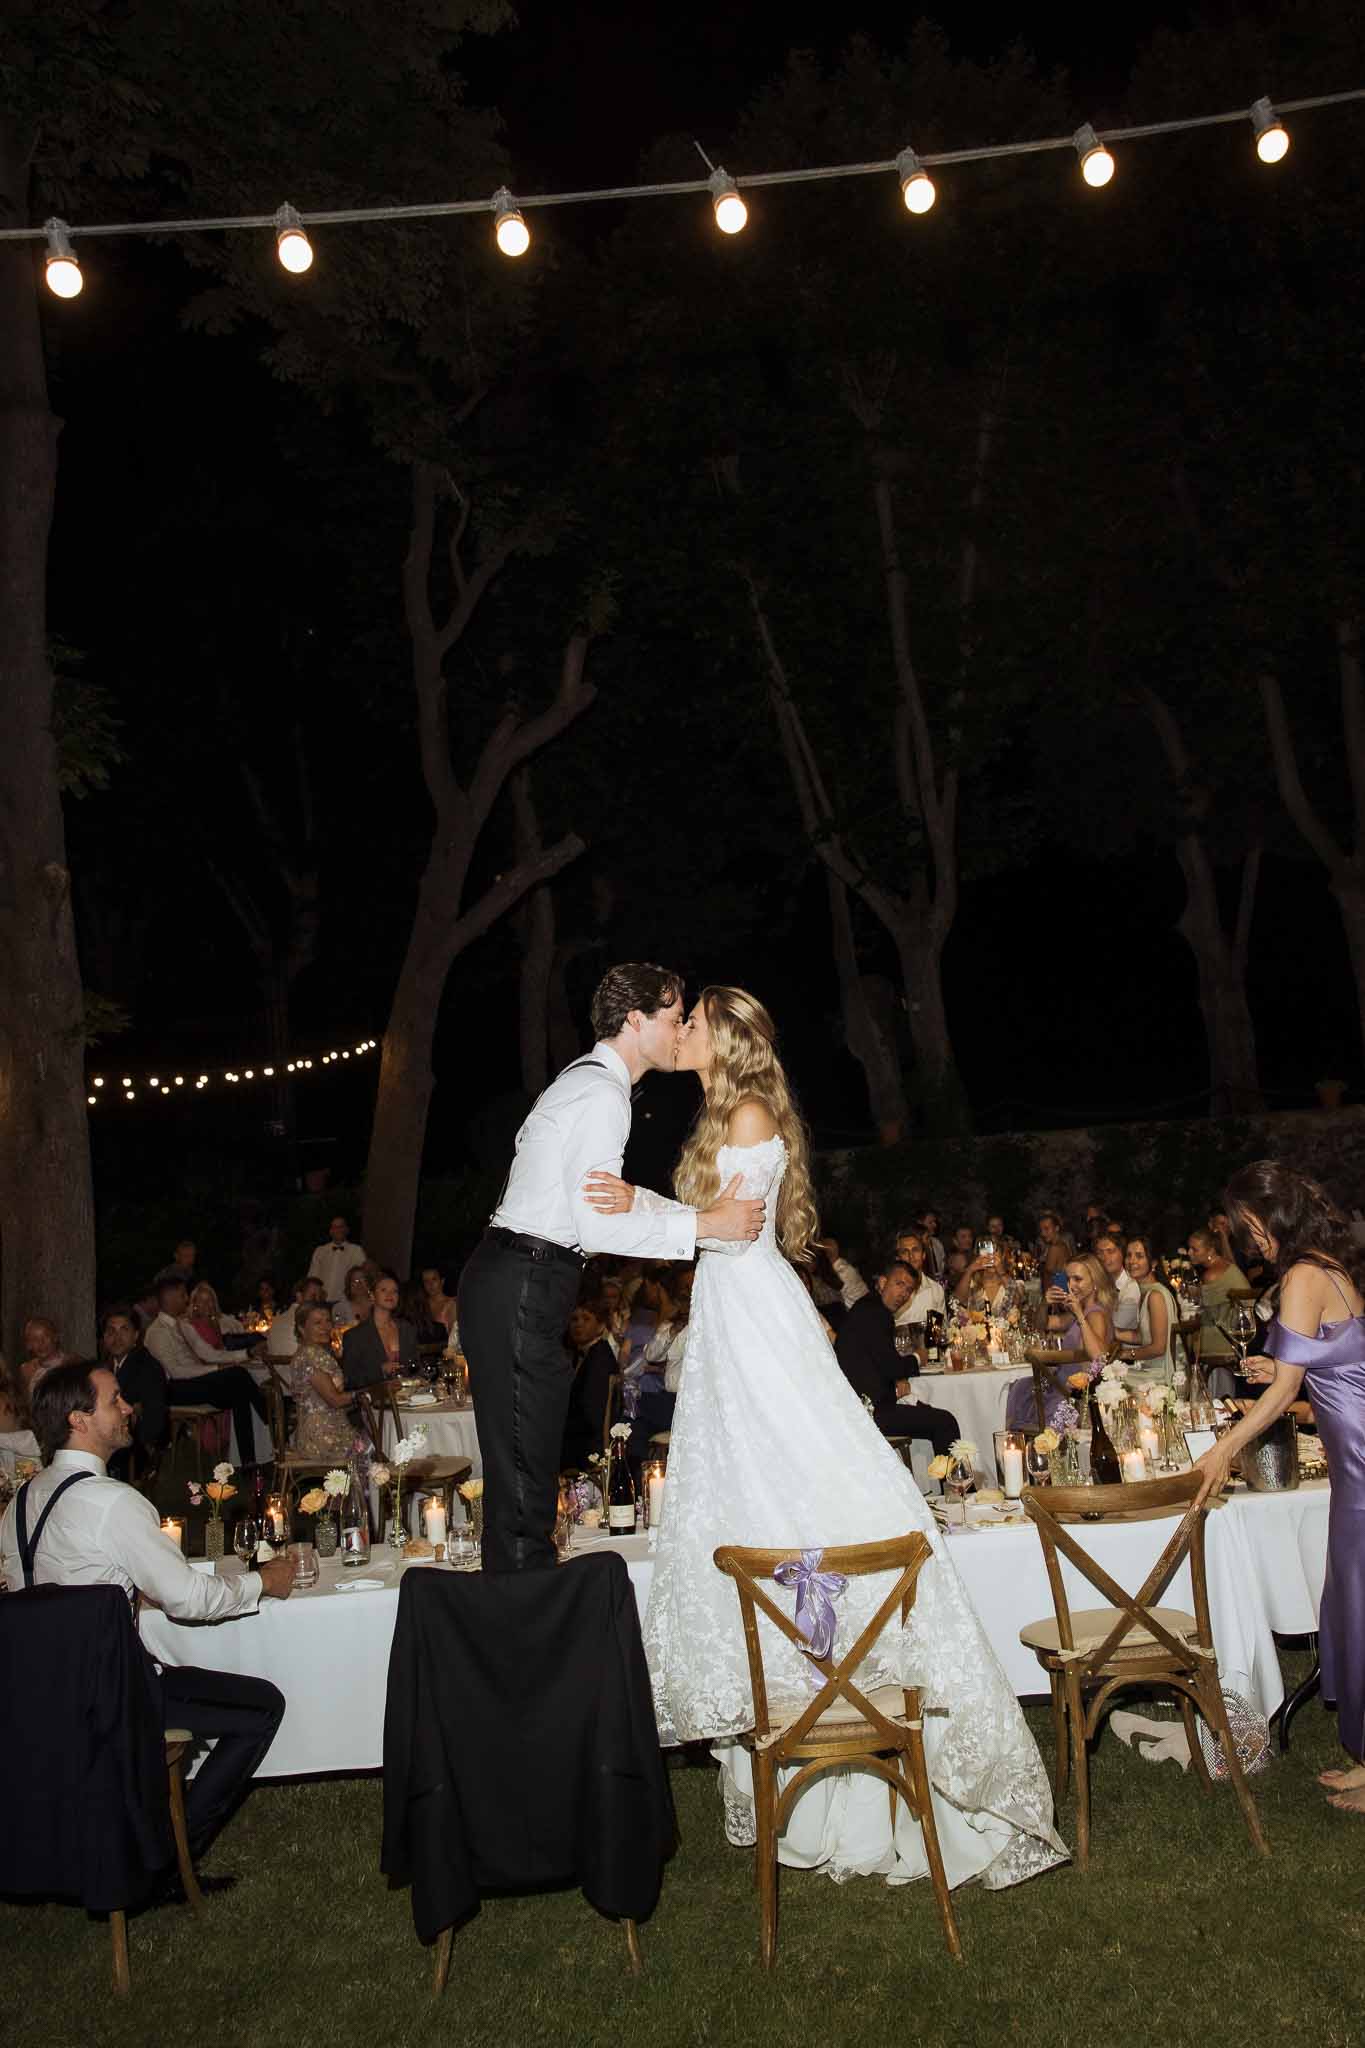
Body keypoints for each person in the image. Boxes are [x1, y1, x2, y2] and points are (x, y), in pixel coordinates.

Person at [587, 984, 1063, 1888]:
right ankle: (813, 1737)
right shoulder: (720, 1112)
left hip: (752, 1314)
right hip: (734, 1310)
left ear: (724, 1038)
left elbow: (726, 1233)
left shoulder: (752, 1109)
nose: (679, 1030)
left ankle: (858, 1707)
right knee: (756, 1495)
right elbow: (715, 1232)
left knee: (799, 1479)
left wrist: (629, 1211)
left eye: (691, 1022)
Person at [459, 962, 763, 1575]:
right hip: (524, 1279)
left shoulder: (589, 1082)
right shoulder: (602, 1095)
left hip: (520, 1277)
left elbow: (602, 1205)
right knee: (524, 1483)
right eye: (675, 1019)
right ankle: (524, 1640)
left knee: (525, 1472)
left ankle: (521, 1621)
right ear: (636, 1019)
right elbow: (597, 1226)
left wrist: (686, 1215)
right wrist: (706, 1225)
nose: (681, 1032)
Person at [0, 1361, 290, 1867]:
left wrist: (131, 1591)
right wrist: (263, 1581)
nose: (130, 1407)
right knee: (262, 1706)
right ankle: (175, 1858)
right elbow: (190, 1599)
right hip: (114, 1699)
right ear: (78, 1420)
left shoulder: (18, 1504)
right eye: (115, 1400)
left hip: (37, 1699)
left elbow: (42, 1597)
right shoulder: (113, 1503)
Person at [1192, 1162, 1365, 1813]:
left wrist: (1223, 1448)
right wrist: (1280, 1366)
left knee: (1358, 1602)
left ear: (1276, 1215)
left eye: (1252, 1225)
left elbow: (1287, 1392)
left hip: (1360, 1466)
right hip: (1354, 1462)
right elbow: (1330, 1362)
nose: (1250, 1239)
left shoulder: (1301, 1274)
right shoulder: (1326, 1266)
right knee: (1350, 1600)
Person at [835, 1260, 960, 1456]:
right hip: (869, 1412)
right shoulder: (876, 1313)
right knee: (945, 1422)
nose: (903, 1293)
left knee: (927, 1411)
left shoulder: (867, 1308)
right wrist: (919, 1357)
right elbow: (893, 1368)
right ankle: (956, 1483)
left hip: (864, 1404)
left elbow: (882, 1362)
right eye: (899, 1284)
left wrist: (898, 1376)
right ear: (883, 1282)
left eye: (909, 1289)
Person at [144, 1276, 268, 1469]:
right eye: (183, 1295)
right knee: (238, 1376)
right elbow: (174, 1371)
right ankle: (270, 1420)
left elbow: (207, 1353)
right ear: (170, 1298)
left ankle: (248, 1461)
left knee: (239, 1389)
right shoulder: (157, 1332)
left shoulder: (181, 1325)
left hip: (193, 1382)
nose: (186, 1299)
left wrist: (246, 1353)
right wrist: (217, 1369)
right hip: (173, 1389)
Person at [1008, 1252, 1116, 1430]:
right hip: (1059, 1386)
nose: (1071, 1285)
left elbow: (1098, 1356)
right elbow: (1042, 1325)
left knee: (1024, 1393)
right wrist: (1045, 1303)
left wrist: (1080, 1316)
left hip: (1075, 1395)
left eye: (1078, 1279)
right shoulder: (1080, 1311)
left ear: (1095, 1282)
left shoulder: (1095, 1314)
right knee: (1020, 1387)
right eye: (1069, 1279)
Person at [100, 1304, 168, 1468]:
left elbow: (154, 1418)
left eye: (124, 1330)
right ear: (104, 1337)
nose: (117, 1337)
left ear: (136, 1336)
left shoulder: (149, 1367)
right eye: (111, 1331)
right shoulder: (103, 1368)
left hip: (134, 1447)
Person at [287, 1303, 356, 1459]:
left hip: (329, 1427)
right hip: (322, 1438)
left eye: (327, 1321)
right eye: (318, 1323)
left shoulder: (314, 1352)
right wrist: (366, 1394)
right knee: (373, 1446)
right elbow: (335, 1400)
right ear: (302, 1328)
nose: (325, 1327)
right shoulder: (311, 1356)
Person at [560, 1299, 619, 1472]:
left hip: (587, 1448)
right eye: (574, 1319)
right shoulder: (584, 1354)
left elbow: (594, 1414)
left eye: (586, 1319)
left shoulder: (599, 1359)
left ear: (601, 1326)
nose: (578, 1325)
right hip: (579, 1440)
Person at [1189, 1225, 1251, 1386]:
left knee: (1181, 1341)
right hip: (1236, 1333)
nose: (1189, 1253)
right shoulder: (1226, 1266)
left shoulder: (1211, 1274)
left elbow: (1204, 1314)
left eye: (1194, 1249)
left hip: (1226, 1339)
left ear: (1210, 1251)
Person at [1117, 1235, 1179, 1386]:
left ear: (1153, 1263)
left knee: (1107, 1380)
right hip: (1152, 1369)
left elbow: (1158, 1347)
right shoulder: (1146, 1291)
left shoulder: (1155, 1295)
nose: (1132, 1261)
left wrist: (1126, 1354)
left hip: (1162, 1375)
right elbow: (1144, 1336)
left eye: (1139, 1256)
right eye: (1129, 1255)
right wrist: (1113, 1334)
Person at [340, 1270, 416, 1389]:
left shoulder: (407, 1329)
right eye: (384, 1290)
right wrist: (380, 1371)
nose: (390, 1294)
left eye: (394, 1291)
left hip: (409, 1398)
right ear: (372, 1296)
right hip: (376, 1403)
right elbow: (350, 1380)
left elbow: (416, 1367)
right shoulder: (355, 1336)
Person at [308, 1216, 368, 1312]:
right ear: (330, 1231)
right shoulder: (320, 1251)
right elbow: (313, 1277)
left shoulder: (356, 1251)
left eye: (341, 1227)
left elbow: (362, 1277)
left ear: (347, 1230)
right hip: (322, 1302)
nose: (338, 1230)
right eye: (335, 1227)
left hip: (345, 1302)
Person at [891, 1231, 946, 1329]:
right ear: (898, 1258)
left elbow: (938, 1330)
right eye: (905, 1251)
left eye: (915, 1250)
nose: (911, 1256)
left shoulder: (935, 1290)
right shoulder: (890, 1290)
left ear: (923, 1255)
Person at [267, 1275, 326, 1358]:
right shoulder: (307, 1318)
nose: (317, 1300)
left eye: (319, 1297)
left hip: (275, 1370)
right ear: (299, 1296)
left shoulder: (278, 1318)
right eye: (313, 1296)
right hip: (298, 1368)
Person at [1095, 1230, 1141, 1334]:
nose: (1105, 1258)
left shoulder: (1131, 1287)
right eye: (1100, 1252)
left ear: (1122, 1253)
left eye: (1110, 1252)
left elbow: (1117, 1328)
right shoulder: (1097, 1284)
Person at [19, 1317, 67, 1392]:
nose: (41, 1343)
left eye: (46, 1336)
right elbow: (27, 1400)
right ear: (28, 1345)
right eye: (35, 1339)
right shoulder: (27, 1369)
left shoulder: (71, 1363)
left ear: (55, 1337)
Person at [419, 1265, 458, 1339]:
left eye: (434, 1279)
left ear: (442, 1281)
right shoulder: (421, 1305)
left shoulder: (451, 1304)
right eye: (426, 1281)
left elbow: (454, 1338)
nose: (430, 1284)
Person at [333, 1263, 373, 1331]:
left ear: (368, 1283)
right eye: (355, 1280)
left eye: (363, 1280)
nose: (359, 1283)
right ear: (349, 1285)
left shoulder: (378, 1305)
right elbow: (338, 1333)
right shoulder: (340, 1308)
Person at [917, 1209, 946, 1280]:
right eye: (930, 1222)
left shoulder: (937, 1244)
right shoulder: (915, 1245)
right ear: (920, 1223)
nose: (934, 1225)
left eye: (934, 1222)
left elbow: (942, 1267)